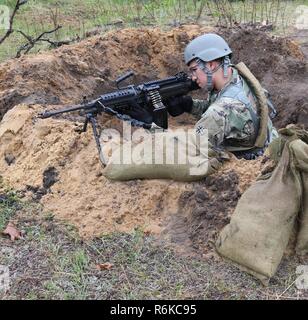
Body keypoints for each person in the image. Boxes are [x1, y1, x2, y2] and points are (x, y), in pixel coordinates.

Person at [164, 33, 278, 159]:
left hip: (254, 164)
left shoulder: (223, 108)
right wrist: (190, 105)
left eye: (194, 69)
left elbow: (190, 149)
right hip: (271, 146)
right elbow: (221, 111)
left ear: (211, 65)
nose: (193, 77)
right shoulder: (235, 77)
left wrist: (152, 129)